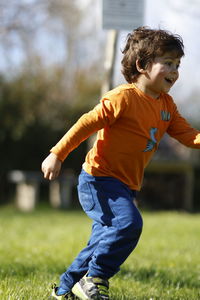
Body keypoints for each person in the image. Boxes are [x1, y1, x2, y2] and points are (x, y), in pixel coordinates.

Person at [41, 27, 200, 300]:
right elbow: (85, 124)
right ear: (142, 65)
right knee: (128, 224)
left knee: (101, 241)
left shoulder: (167, 106)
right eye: (168, 63)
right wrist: (57, 153)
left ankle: (65, 289)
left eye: (177, 64)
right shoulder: (122, 98)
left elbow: (188, 136)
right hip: (98, 179)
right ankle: (95, 277)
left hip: (126, 185)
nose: (174, 71)